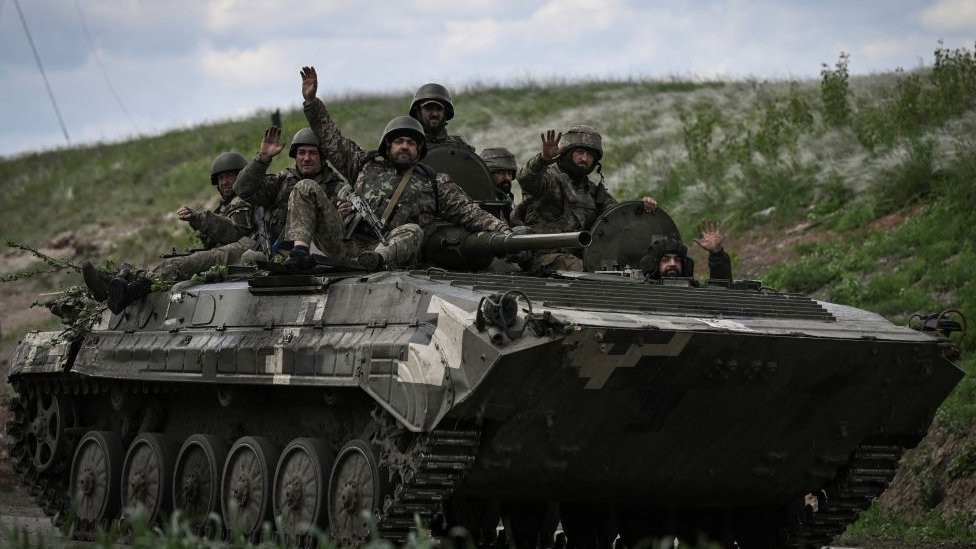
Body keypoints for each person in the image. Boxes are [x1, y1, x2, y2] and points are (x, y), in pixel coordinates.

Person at [290, 66, 511, 271]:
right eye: (399, 141)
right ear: (388, 145)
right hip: (346, 243)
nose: (405, 146)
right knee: (306, 186)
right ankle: (299, 252)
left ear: (419, 149)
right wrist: (312, 103)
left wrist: (504, 231)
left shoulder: (434, 182)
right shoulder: (363, 165)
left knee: (413, 231)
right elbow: (331, 139)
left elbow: (470, 212)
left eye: (411, 143)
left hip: (388, 252)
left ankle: (376, 261)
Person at [516, 127, 658, 271]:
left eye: (590, 155)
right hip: (543, 256)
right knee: (583, 270)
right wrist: (543, 159)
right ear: (566, 154)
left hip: (582, 259)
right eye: (579, 152)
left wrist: (642, 208)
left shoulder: (593, 192)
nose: (584, 159)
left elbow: (618, 218)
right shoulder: (548, 180)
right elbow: (526, 179)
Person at [233, 126, 348, 259]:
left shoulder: (337, 188)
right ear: (295, 157)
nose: (306, 158)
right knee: (249, 257)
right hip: (281, 254)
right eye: (301, 153)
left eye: (312, 153)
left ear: (323, 158)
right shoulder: (282, 182)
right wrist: (262, 159)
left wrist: (342, 216)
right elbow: (241, 189)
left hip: (320, 255)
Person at [177, 151, 252, 249]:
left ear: (241, 176)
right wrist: (194, 218)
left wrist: (199, 218)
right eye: (221, 178)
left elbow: (236, 235)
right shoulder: (225, 206)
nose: (224, 182)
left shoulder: (243, 201)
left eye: (229, 176)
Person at [639, 220, 733, 282]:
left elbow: (721, 291)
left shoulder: (693, 292)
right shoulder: (638, 293)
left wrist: (717, 254)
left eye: (677, 259)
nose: (673, 264)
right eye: (666, 260)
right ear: (655, 264)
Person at [408, 83, 474, 152]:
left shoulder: (459, 146)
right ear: (418, 112)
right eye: (428, 108)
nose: (435, 114)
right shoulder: (409, 146)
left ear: (445, 112)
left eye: (439, 109)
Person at [480, 147, 517, 225]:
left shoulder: (504, 199)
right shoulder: (484, 202)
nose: (507, 178)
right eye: (501, 173)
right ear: (487, 175)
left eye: (509, 173)